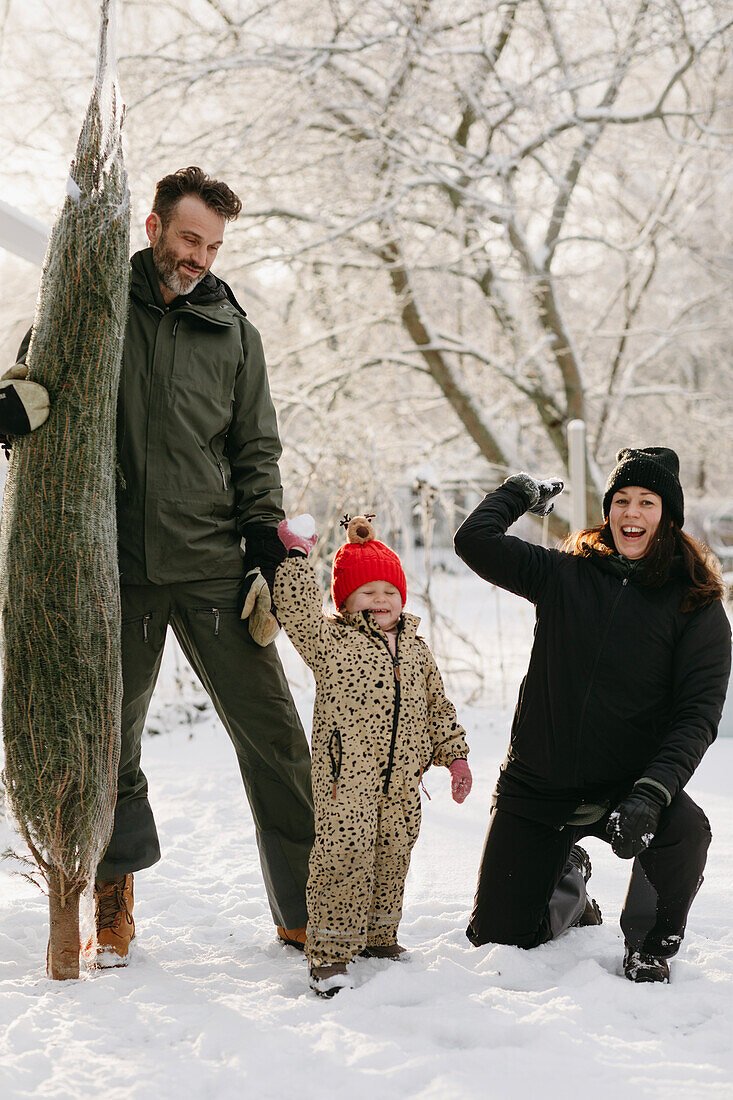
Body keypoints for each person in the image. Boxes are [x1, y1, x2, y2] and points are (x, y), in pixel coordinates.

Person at [13, 167, 314, 965]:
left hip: (213, 565)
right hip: (116, 570)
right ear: (152, 228)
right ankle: (113, 899)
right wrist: (14, 401)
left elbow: (255, 451)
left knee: (276, 736)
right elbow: (35, 384)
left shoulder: (234, 334)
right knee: (106, 740)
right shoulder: (92, 309)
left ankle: (307, 904)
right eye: (188, 239)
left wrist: (263, 547)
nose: (199, 257)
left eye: (212, 245)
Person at [454, 447, 731, 983]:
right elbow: (474, 542)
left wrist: (652, 792)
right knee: (499, 938)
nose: (631, 513)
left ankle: (650, 944)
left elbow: (697, 715)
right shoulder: (563, 574)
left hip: (626, 786)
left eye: (646, 502)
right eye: (621, 500)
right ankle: (568, 882)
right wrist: (518, 493)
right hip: (538, 783)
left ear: (667, 516)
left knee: (686, 829)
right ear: (608, 510)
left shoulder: (695, 604)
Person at [274, 513, 473, 996]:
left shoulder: (417, 650)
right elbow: (298, 613)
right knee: (343, 858)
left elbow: (437, 707)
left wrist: (455, 756)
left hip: (404, 780)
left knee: (392, 856)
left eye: (390, 591)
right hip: (347, 782)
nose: (381, 601)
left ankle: (379, 937)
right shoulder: (332, 643)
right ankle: (329, 953)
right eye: (367, 593)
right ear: (345, 602)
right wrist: (297, 557)